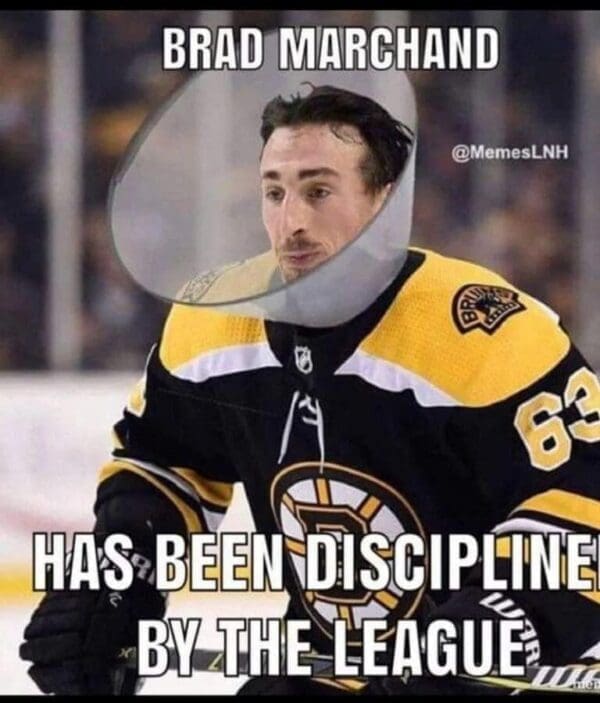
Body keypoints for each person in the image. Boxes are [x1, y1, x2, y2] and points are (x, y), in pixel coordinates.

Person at [20, 85, 600, 696]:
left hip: (516, 678)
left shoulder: (483, 330)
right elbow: (163, 465)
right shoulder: (213, 320)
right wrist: (120, 580)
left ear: (384, 201)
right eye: (275, 192)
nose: (291, 222)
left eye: (318, 192)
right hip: (340, 667)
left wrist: (491, 627)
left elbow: (583, 513)